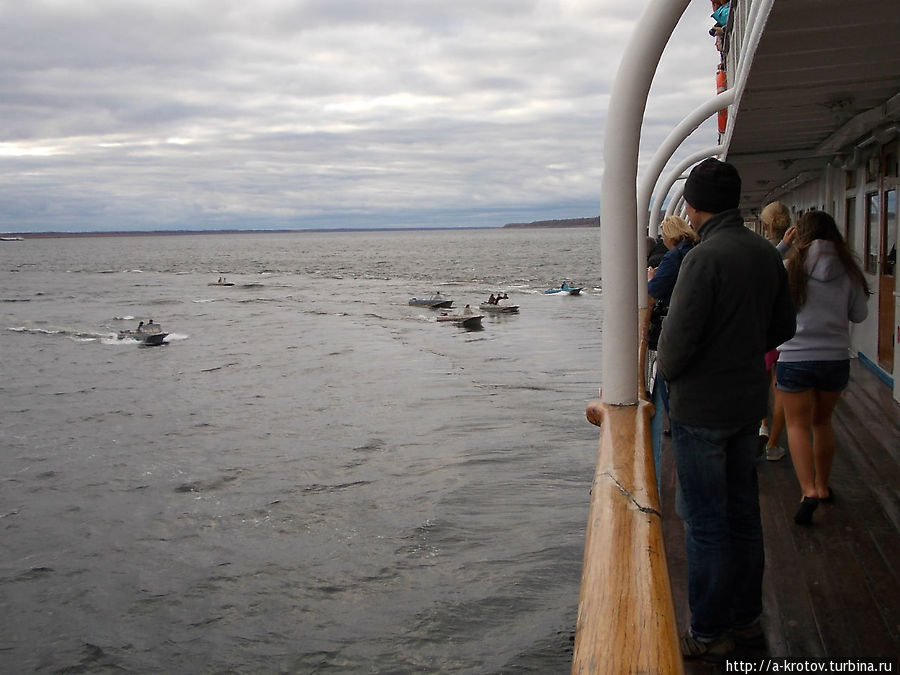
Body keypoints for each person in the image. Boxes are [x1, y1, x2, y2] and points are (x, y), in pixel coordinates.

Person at [657, 158, 796, 659]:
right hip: (747, 406)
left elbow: (673, 350)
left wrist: (674, 373)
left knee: (707, 523)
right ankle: (748, 623)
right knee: (744, 516)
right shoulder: (764, 253)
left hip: (701, 414)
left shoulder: (702, 259)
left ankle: (710, 632)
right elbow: (784, 328)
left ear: (694, 206)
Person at [776, 211, 870, 525]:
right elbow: (859, 315)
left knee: (797, 425)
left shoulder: (792, 267)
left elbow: (778, 312)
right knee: (822, 423)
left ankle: (807, 491)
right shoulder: (849, 269)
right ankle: (823, 485)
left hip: (795, 356)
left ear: (800, 235)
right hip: (834, 358)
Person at [646, 215, 699, 487]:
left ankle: (678, 429)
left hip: (675, 327)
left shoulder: (673, 257)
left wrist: (652, 277)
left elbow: (653, 291)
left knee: (667, 377)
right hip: (697, 328)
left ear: (669, 236)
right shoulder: (696, 252)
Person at [759, 201, 794, 460]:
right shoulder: (801, 250)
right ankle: (773, 444)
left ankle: (761, 427)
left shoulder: (765, 251)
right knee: (779, 386)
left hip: (768, 325)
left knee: (761, 379)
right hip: (792, 327)